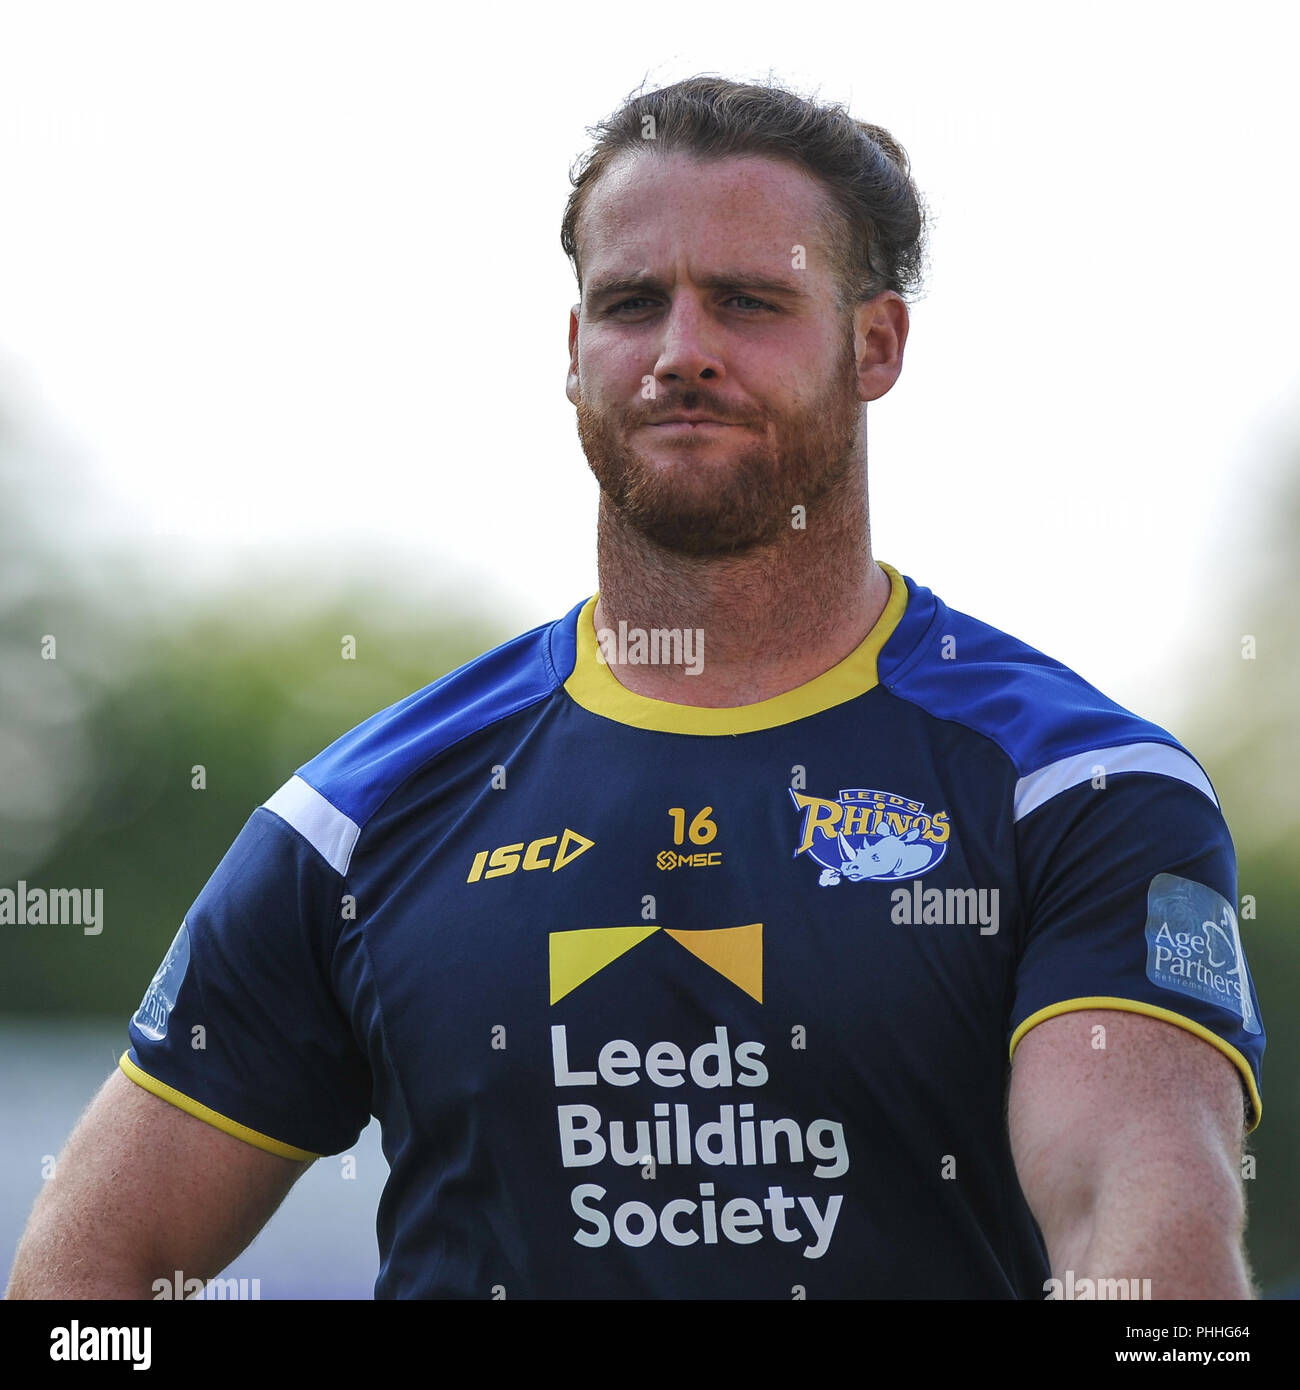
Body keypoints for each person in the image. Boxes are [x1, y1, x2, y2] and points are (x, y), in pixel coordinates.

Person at [7, 75, 1263, 1301]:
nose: (679, 354)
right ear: (572, 352)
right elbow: (86, 1281)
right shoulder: (358, 817)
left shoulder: (1077, 789)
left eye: (747, 302)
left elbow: (1134, 1239)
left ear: (873, 344)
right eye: (629, 303)